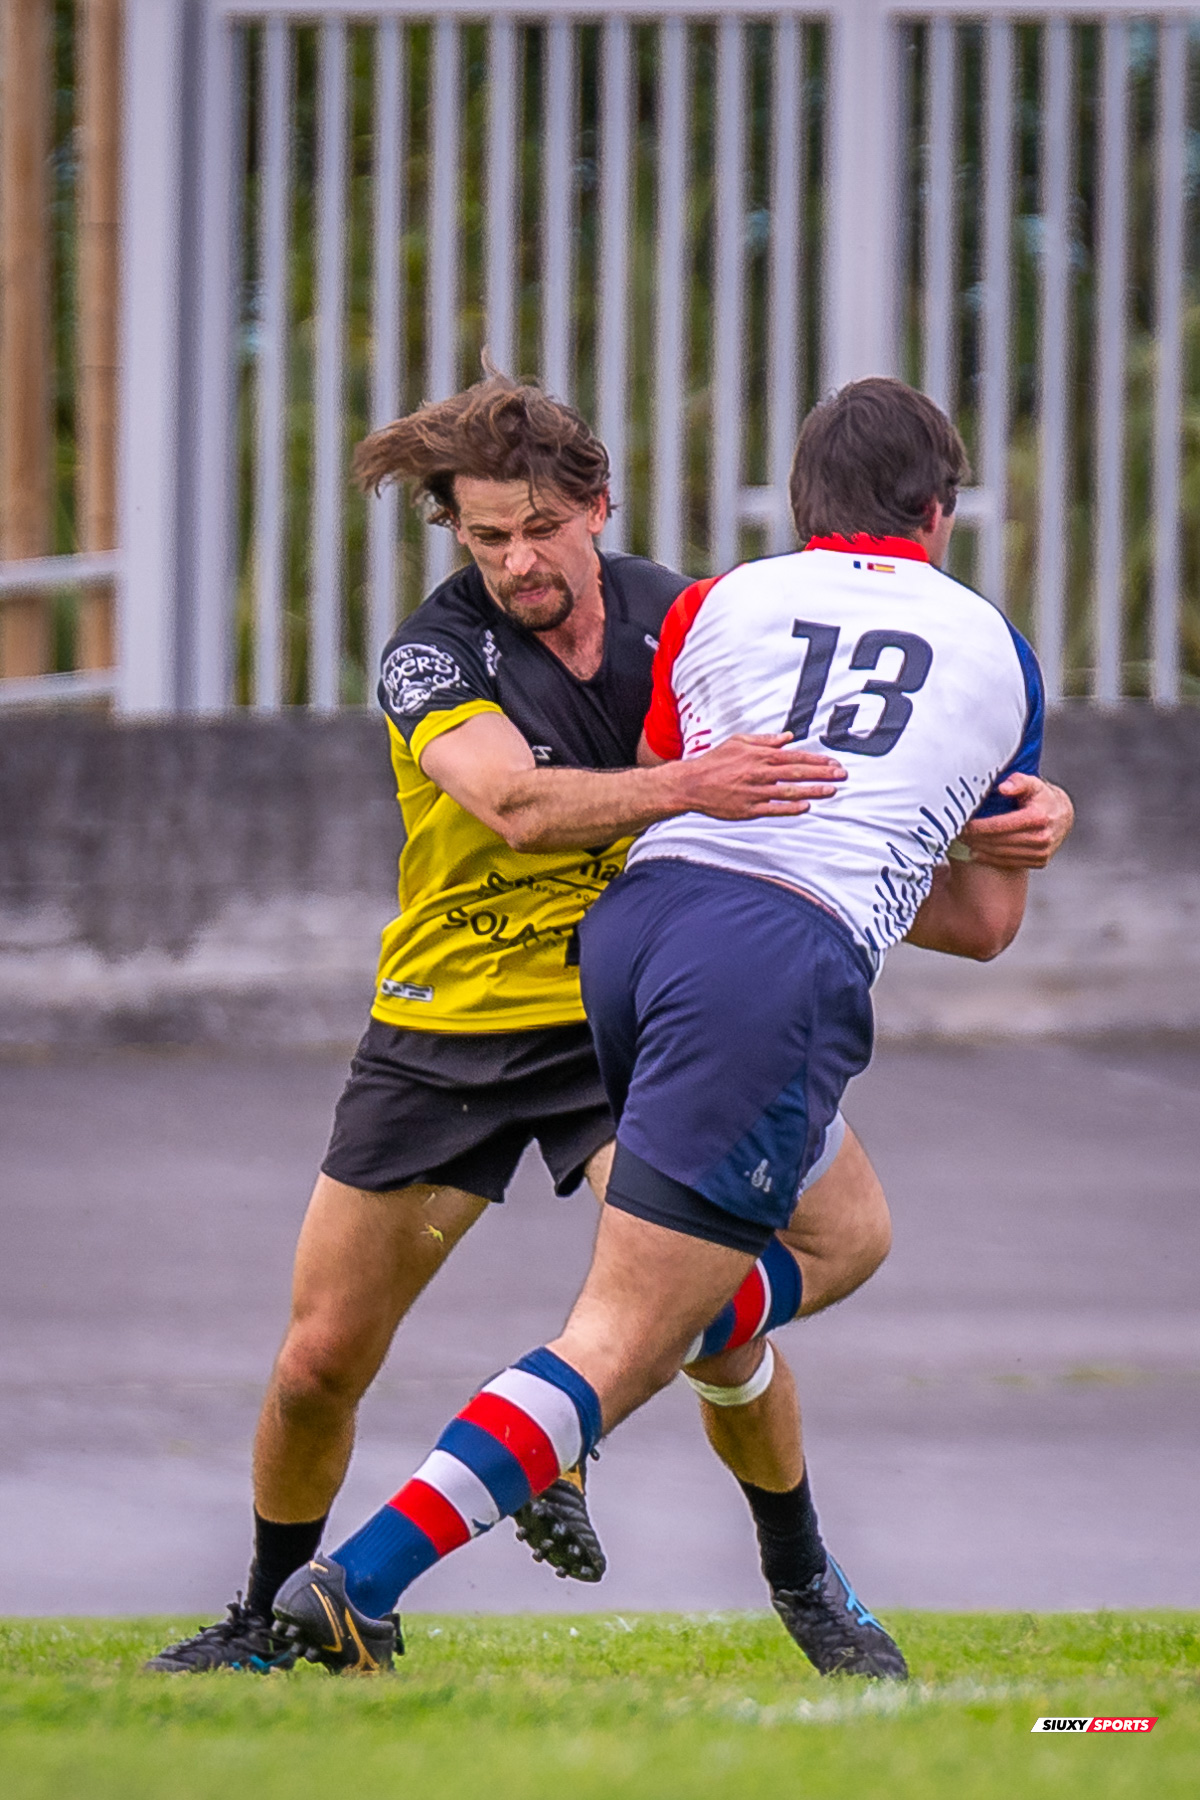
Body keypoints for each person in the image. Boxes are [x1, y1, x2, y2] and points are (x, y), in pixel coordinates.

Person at [146, 374, 1070, 1680]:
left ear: (597, 507)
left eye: (536, 528)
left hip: (615, 999)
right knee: (317, 1360)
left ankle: (800, 1575)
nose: (515, 561)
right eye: (484, 539)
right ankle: (272, 1607)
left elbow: (815, 819)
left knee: (736, 1299)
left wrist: (990, 824)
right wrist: (691, 784)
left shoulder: (688, 614)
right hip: (453, 1027)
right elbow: (517, 805)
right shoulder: (434, 652)